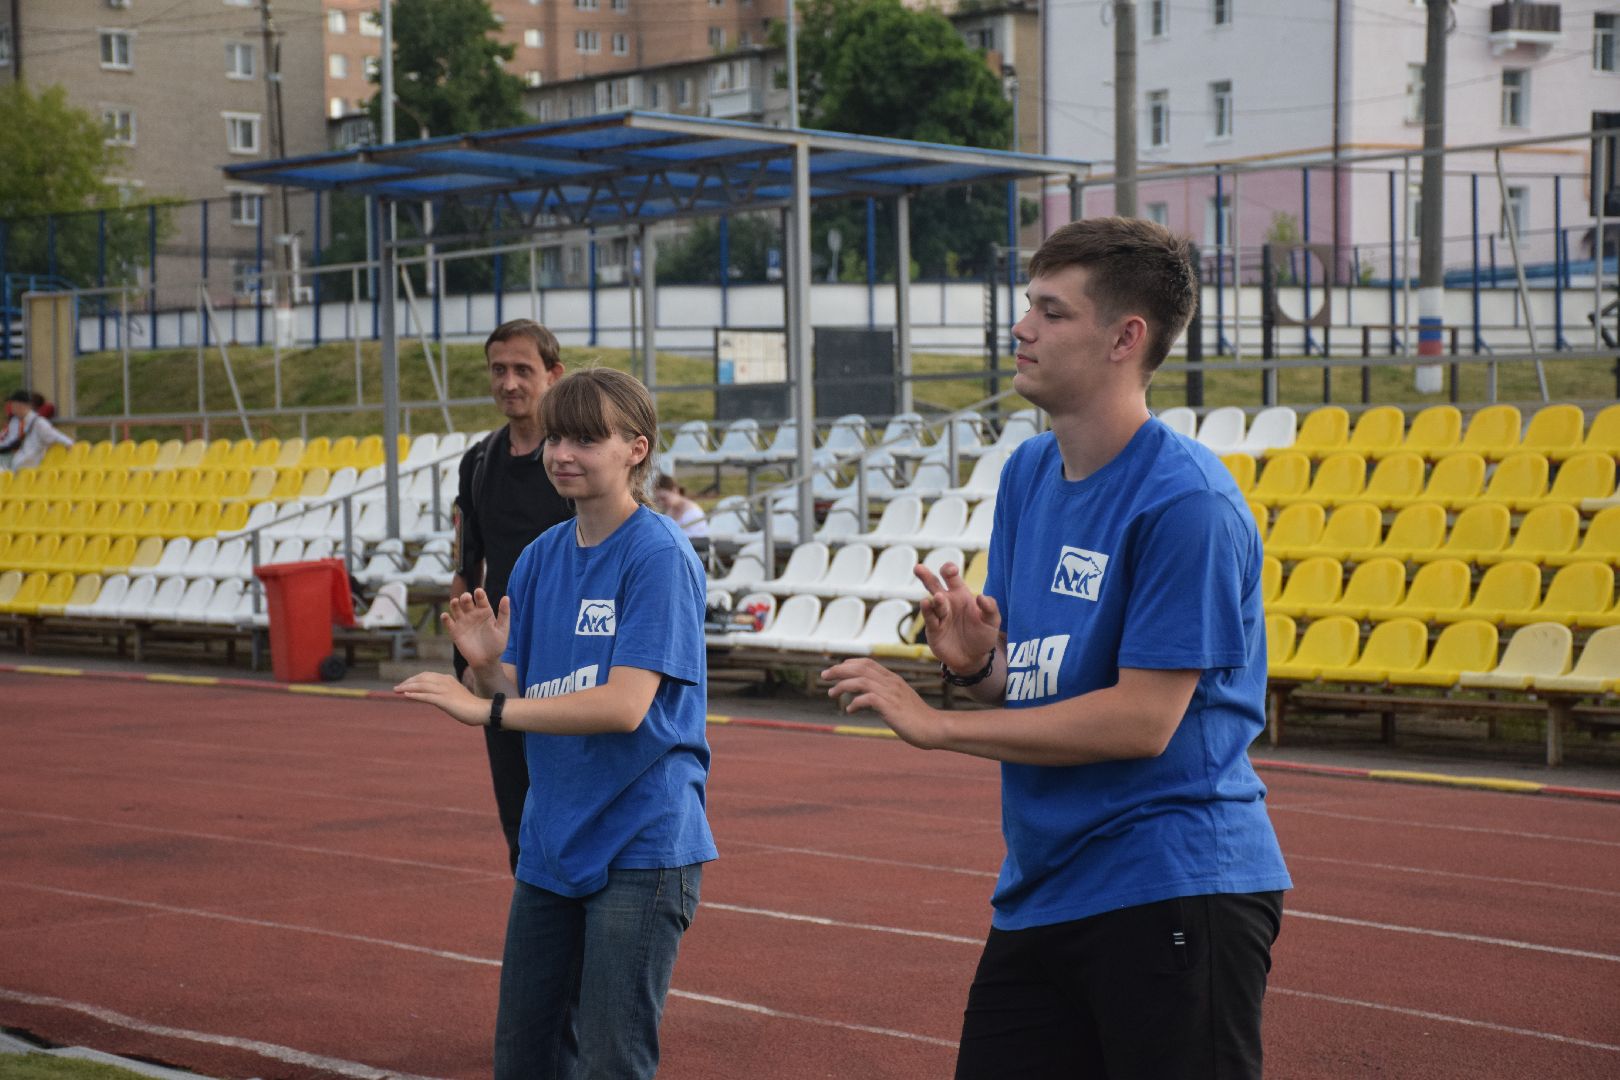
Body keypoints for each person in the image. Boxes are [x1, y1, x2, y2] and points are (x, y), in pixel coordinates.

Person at [823, 217, 1292, 1080]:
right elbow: (1038, 685)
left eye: (1052, 311)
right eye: (1027, 305)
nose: (1022, 328)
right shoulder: (1029, 474)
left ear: (1125, 338)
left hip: (1173, 883)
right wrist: (978, 665)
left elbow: (1142, 721)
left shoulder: (1186, 503)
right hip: (1045, 887)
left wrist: (939, 724)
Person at [396, 367, 716, 1080]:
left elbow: (623, 705)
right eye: (555, 438)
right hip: (552, 839)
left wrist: (489, 707)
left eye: (585, 440)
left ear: (636, 449)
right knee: (525, 1056)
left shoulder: (659, 555)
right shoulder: (541, 557)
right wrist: (487, 668)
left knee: (610, 1058)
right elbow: (529, 688)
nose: (562, 454)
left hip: (640, 843)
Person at [452, 319, 575, 875]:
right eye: (498, 370)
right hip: (502, 661)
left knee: (577, 807)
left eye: (523, 370)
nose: (509, 383)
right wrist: (465, 662)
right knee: (519, 818)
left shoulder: (574, 463)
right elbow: (466, 566)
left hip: (573, 658)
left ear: (554, 374)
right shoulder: (478, 462)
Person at [0, 389, 74, 471]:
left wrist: (68, 444)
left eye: (13, 405)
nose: (12, 409)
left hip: (29, 466)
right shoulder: (14, 422)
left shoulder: (38, 423)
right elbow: (9, 441)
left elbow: (56, 436)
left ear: (21, 406)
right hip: (13, 463)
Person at [654, 473, 708, 540]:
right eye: (657, 500)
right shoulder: (670, 510)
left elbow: (698, 539)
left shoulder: (693, 513)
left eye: (663, 498)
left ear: (674, 491)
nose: (661, 503)